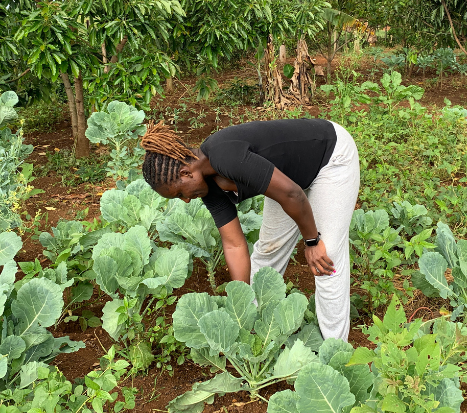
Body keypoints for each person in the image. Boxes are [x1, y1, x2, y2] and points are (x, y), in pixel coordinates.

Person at [140, 118, 359, 341]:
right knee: (267, 253)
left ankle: (335, 348)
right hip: (289, 180)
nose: (186, 200)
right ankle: (253, 331)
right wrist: (241, 303)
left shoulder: (225, 156)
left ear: (186, 173)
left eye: (180, 193)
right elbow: (233, 244)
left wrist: (312, 242)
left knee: (326, 257)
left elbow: (292, 194)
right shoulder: (207, 187)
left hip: (330, 157)